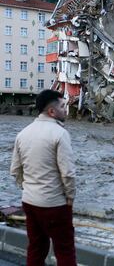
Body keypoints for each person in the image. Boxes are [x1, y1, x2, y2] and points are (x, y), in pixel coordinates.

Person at [10, 89, 77, 266]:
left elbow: (15, 170)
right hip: (54, 204)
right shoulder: (60, 134)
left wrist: (29, 188)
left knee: (36, 247)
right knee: (65, 250)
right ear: (52, 112)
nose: (66, 110)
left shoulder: (23, 133)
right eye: (63, 106)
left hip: (30, 202)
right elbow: (68, 173)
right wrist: (70, 198)